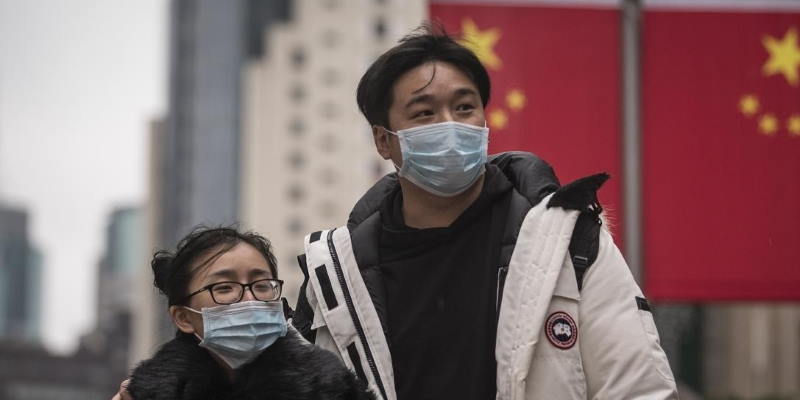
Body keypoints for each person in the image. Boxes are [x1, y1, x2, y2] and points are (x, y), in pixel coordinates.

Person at [291, 25, 679, 400]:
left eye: (464, 107)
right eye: (424, 113)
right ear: (383, 140)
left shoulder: (569, 243)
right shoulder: (337, 275)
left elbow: (639, 389)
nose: (450, 126)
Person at [113, 227, 374, 400]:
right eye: (224, 288)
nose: (250, 300)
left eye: (262, 285)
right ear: (183, 317)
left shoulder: (330, 387)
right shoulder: (147, 394)